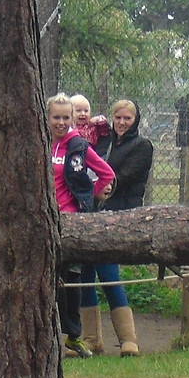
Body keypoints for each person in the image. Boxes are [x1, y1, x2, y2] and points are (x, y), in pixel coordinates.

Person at [48, 94, 134, 357]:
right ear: (48, 118)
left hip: (73, 220)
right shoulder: (42, 143)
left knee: (72, 278)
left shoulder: (78, 146)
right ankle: (59, 335)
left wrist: (94, 197)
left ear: (72, 119)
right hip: (46, 218)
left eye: (66, 117)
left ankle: (75, 335)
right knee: (50, 279)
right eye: (56, 117)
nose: (61, 123)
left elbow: (107, 173)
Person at [97, 99, 153, 211]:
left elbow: (123, 178)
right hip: (103, 206)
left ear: (135, 120)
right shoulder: (107, 142)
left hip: (127, 208)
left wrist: (96, 186)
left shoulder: (142, 146)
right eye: (118, 118)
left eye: (127, 118)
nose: (121, 122)